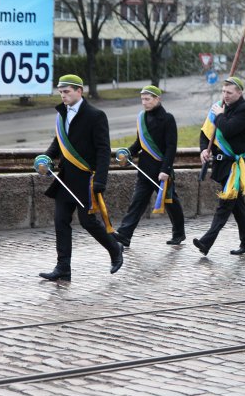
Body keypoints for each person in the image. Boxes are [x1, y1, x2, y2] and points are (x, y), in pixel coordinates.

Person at [38, 75, 124, 281]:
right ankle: (63, 268)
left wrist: (101, 180)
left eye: (67, 91)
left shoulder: (96, 115)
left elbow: (104, 151)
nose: (63, 95)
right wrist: (45, 158)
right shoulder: (62, 115)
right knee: (61, 221)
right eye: (60, 92)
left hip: (87, 181)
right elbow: (58, 144)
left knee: (88, 222)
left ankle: (115, 249)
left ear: (79, 91)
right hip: (65, 180)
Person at [113, 85, 186, 248]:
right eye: (142, 99)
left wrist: (165, 170)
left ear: (157, 99)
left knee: (171, 202)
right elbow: (140, 142)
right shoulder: (142, 118)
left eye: (147, 99)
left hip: (161, 170)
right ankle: (125, 234)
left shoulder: (168, 118)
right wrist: (128, 153)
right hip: (144, 169)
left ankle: (179, 233)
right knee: (137, 202)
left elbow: (171, 147)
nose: (144, 103)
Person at [194, 76, 245, 256]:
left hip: (236, 167)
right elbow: (206, 132)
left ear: (239, 92)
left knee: (224, 206)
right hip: (223, 165)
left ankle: (206, 242)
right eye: (223, 92)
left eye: (229, 92)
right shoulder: (220, 107)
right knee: (239, 210)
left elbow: (228, 130)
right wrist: (203, 150)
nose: (225, 95)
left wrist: (219, 114)